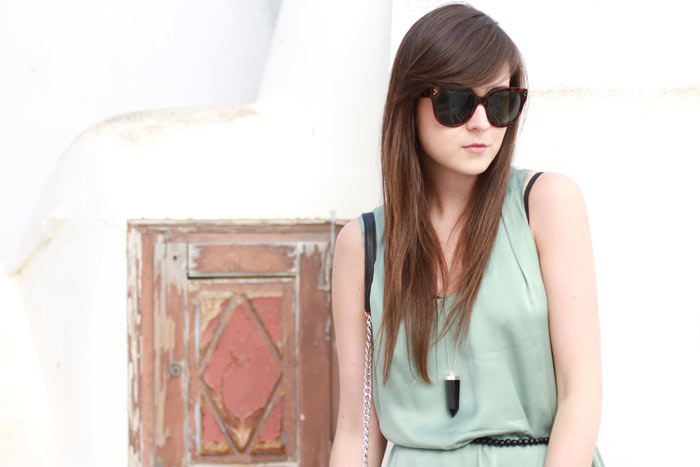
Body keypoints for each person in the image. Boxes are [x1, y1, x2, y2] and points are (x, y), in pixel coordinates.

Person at [329, 3, 605, 466]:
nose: (481, 123)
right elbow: (356, 430)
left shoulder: (546, 204)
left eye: (500, 103)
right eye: (455, 103)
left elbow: (582, 394)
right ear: (409, 104)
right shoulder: (364, 243)